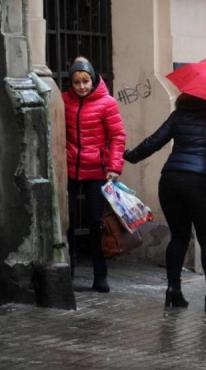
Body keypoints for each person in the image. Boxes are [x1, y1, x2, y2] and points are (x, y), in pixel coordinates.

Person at [124, 93, 206, 312]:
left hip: (171, 180)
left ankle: (173, 290)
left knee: (178, 237)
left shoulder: (179, 116)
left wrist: (131, 156)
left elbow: (154, 141)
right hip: (201, 183)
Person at [63, 56, 127, 293]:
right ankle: (67, 271)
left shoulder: (107, 103)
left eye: (85, 81)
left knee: (95, 223)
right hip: (70, 168)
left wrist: (114, 166)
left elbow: (118, 136)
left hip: (97, 170)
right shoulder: (64, 101)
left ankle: (100, 275)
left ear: (93, 79)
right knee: (66, 221)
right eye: (77, 82)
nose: (81, 86)